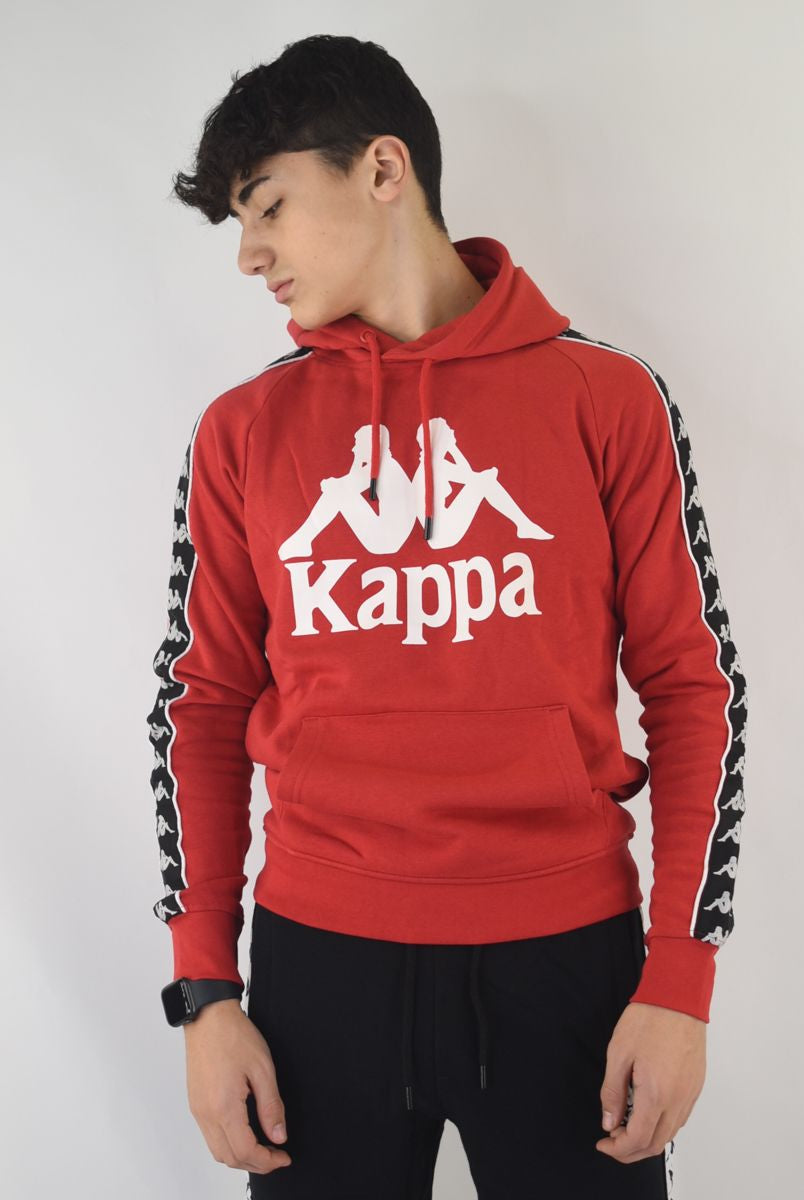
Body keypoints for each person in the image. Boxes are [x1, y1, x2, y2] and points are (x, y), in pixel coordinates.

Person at [145, 33, 747, 1199]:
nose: (250, 254)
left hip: (568, 961)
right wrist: (205, 992)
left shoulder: (607, 398)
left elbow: (693, 688)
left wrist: (681, 980)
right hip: (318, 967)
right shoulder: (242, 434)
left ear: (383, 168)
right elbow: (201, 707)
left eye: (267, 206)